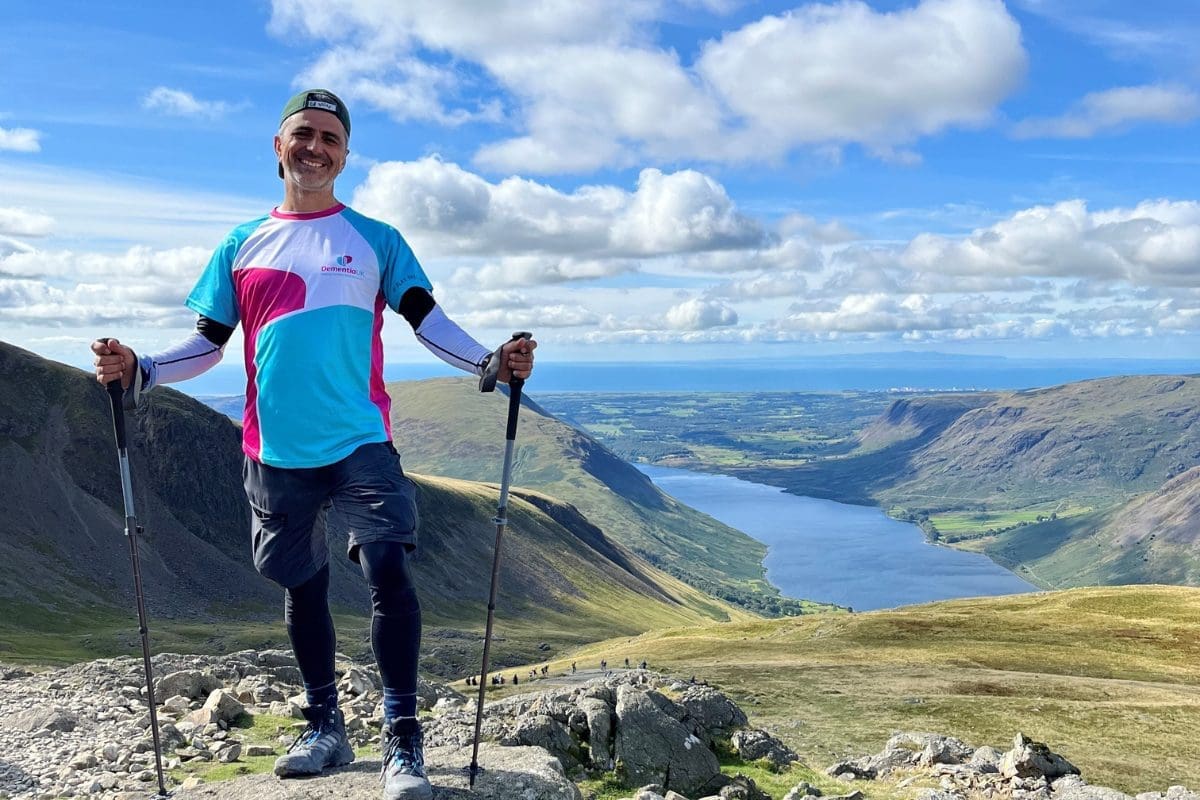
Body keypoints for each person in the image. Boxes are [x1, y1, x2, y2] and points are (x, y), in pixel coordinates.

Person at [91, 88, 536, 800]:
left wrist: (490, 361)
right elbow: (207, 345)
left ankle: (402, 738)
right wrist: (140, 370)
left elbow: (427, 320)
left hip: (361, 438)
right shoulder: (240, 244)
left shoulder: (377, 239)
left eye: (330, 138)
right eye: (303, 133)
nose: (316, 147)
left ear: (346, 155)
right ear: (278, 146)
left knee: (387, 565)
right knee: (303, 584)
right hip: (274, 449)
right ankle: (325, 725)